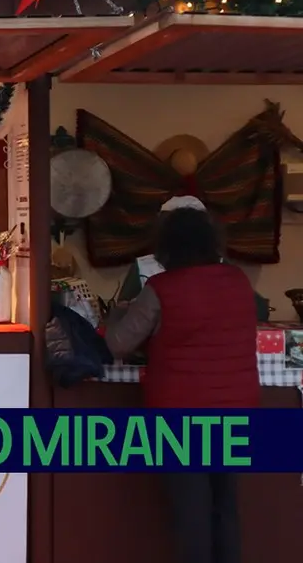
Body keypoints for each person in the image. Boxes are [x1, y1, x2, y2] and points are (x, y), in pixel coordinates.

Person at [102, 203, 258, 563]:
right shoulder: (237, 281)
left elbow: (118, 343)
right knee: (225, 505)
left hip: (180, 417)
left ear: (166, 247)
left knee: (192, 513)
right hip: (237, 413)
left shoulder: (161, 288)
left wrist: (118, 314)